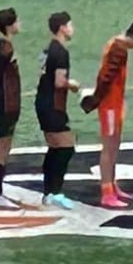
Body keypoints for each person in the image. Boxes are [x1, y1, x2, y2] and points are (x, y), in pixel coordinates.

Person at [82, 19, 133, 208]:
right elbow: (105, 77)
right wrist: (96, 99)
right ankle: (106, 192)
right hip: (110, 105)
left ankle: (112, 185)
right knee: (109, 147)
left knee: (114, 145)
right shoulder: (119, 49)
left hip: (115, 103)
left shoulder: (116, 45)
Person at [36, 12, 82, 210]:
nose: (72, 28)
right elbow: (59, 81)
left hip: (44, 102)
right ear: (62, 27)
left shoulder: (48, 49)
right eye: (70, 24)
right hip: (52, 105)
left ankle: (49, 193)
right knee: (66, 147)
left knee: (55, 148)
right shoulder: (61, 52)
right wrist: (73, 85)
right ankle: (54, 192)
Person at [0, 8, 24, 208]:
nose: (20, 23)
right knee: (2, 148)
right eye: (17, 21)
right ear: (9, 26)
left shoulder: (3, 47)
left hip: (6, 103)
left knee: (4, 147)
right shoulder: (4, 49)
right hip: (6, 104)